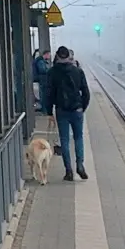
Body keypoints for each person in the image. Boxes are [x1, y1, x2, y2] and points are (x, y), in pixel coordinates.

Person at [46, 46, 91, 180]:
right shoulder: (78, 71)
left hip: (61, 111)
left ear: (58, 57)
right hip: (77, 110)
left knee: (64, 140)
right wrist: (82, 107)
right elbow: (86, 93)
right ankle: (80, 165)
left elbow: (48, 94)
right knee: (78, 138)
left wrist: (49, 111)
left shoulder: (52, 72)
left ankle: (68, 171)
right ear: (69, 57)